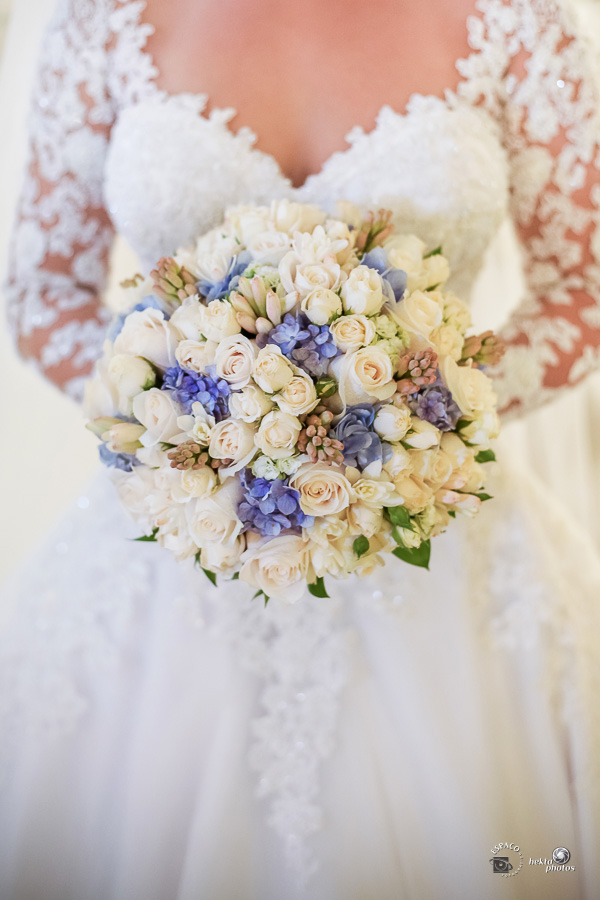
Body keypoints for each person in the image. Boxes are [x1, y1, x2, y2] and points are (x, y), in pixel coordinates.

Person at [1, 0, 600, 897]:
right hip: (168, 570)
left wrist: (421, 426)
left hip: (453, 562)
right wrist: (185, 430)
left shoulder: (517, 24)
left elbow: (578, 297)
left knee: (511, 858)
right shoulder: (101, 24)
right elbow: (42, 292)